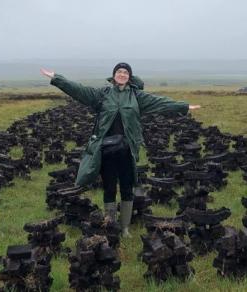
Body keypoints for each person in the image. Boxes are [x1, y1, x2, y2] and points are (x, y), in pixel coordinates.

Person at [40, 63, 200, 237]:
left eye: (125, 72)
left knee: (126, 188)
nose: (122, 74)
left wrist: (184, 107)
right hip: (106, 149)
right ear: (114, 75)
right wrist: (57, 78)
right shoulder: (103, 94)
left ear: (129, 77)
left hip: (127, 150)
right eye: (119, 71)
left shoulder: (136, 96)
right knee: (109, 187)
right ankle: (110, 224)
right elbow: (79, 90)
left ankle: (124, 228)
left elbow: (160, 102)